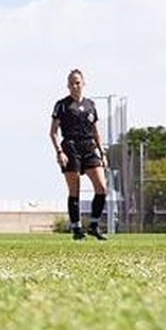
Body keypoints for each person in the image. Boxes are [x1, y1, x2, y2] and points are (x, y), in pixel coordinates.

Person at [50, 69, 108, 240]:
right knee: (75, 189)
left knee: (102, 188)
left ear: (83, 84)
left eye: (78, 83)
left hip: (89, 147)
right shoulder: (62, 105)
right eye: (72, 83)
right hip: (70, 147)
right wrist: (59, 152)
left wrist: (102, 152)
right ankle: (76, 229)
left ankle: (94, 226)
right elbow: (53, 132)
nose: (75, 86)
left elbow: (96, 131)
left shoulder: (90, 105)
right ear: (68, 85)